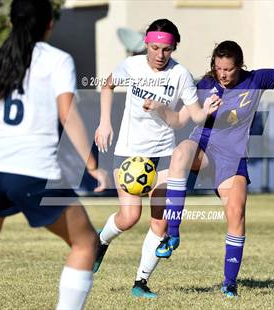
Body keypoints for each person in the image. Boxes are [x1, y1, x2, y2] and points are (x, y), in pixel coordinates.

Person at [155, 12, 274, 298]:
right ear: (213, 64)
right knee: (180, 153)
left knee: (236, 213)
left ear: (240, 67)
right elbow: (178, 120)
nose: (223, 74)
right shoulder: (202, 85)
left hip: (233, 157)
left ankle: (229, 283)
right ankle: (172, 233)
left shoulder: (255, 80)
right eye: (218, 68)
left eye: (229, 70)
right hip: (203, 148)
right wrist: (159, 108)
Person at [0, 1, 108, 309]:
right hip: (32, 171)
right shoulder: (57, 60)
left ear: (10, 23)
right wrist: (92, 164)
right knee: (85, 243)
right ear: (49, 24)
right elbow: (67, 114)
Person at [94, 18, 220, 298]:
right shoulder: (133, 65)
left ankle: (140, 283)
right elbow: (107, 86)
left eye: (166, 49)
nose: (160, 55)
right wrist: (104, 123)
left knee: (159, 222)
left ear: (173, 48)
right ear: (146, 45)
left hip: (163, 154)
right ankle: (99, 242)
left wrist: (207, 109)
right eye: (154, 48)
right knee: (129, 217)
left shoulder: (180, 75)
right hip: (129, 151)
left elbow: (190, 117)